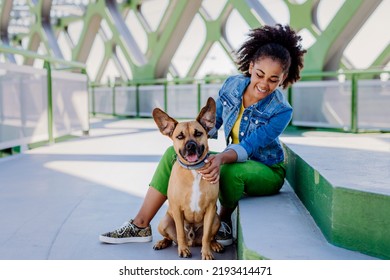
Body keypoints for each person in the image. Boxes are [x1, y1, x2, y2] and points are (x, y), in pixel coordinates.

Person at [99, 24, 306, 246]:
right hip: (231, 157)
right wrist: (190, 139)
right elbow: (210, 123)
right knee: (173, 154)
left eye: (274, 79)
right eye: (260, 74)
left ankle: (223, 220)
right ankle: (140, 225)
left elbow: (250, 145)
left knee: (228, 168)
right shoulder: (233, 86)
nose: (264, 84)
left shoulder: (282, 110)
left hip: (266, 169)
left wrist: (218, 158)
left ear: (284, 77)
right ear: (251, 65)